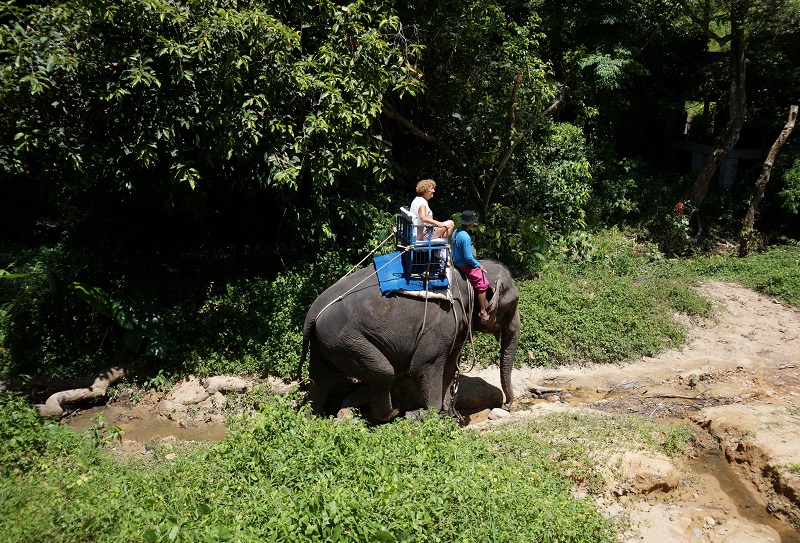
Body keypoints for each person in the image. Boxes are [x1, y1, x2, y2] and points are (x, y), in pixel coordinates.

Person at [451, 210, 489, 323]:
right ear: (469, 223)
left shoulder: (456, 232)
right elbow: (468, 257)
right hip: (463, 264)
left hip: (455, 260)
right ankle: (482, 311)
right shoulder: (465, 237)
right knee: (482, 283)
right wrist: (478, 266)